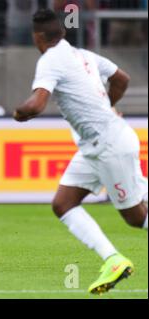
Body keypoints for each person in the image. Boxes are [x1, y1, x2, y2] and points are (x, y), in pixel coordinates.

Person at [13, 9, 147, 294]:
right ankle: (113, 260)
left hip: (108, 145)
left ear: (37, 37)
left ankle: (114, 261)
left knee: (136, 217)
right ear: (61, 33)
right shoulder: (83, 55)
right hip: (99, 145)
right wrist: (106, 106)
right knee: (63, 203)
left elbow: (36, 105)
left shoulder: (49, 60)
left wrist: (18, 112)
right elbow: (122, 78)